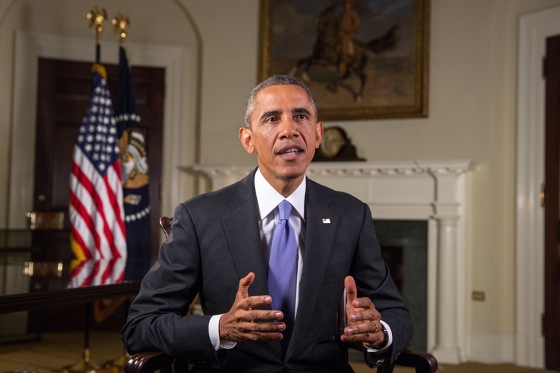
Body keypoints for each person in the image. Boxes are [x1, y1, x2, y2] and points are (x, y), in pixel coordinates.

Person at [121, 75, 412, 372]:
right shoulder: (200, 217)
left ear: (317, 134)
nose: (290, 130)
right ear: (248, 140)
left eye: (301, 116)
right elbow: (140, 325)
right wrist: (220, 328)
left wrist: (380, 334)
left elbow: (397, 315)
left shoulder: (351, 214)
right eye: (272, 118)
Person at [338, 0, 361, 73]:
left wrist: (350, 29)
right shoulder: (342, 14)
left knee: (344, 47)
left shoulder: (353, 13)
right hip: (339, 33)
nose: (346, 5)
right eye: (345, 4)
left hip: (346, 35)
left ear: (350, 5)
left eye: (347, 4)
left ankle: (344, 64)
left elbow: (357, 23)